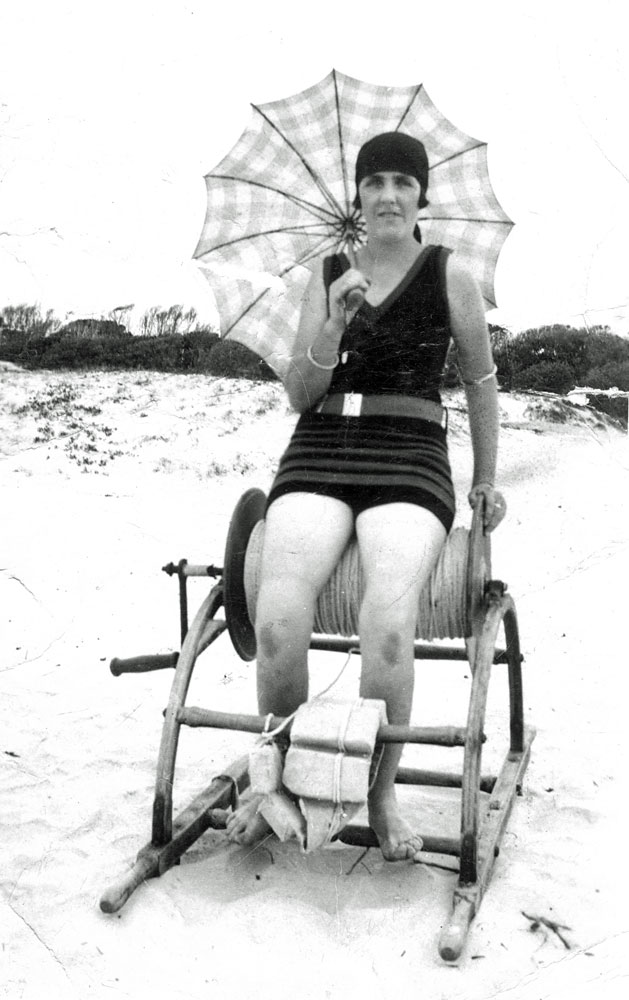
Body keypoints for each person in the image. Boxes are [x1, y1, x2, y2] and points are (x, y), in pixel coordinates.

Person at [226, 131, 505, 859]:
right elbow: (299, 392)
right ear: (356, 196)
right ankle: (277, 783)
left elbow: (479, 382)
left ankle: (379, 797)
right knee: (280, 612)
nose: (386, 195)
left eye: (401, 183)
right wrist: (335, 321)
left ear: (421, 196)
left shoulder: (450, 275)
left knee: (387, 615)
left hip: (410, 454)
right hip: (321, 449)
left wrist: (484, 478)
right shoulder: (328, 275)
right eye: (373, 182)